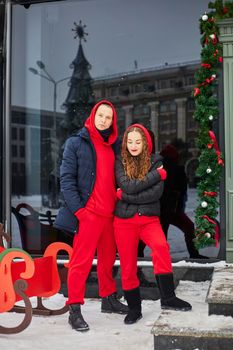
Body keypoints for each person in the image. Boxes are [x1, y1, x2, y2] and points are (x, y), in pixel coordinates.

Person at [54, 100, 128, 332]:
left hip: (110, 214)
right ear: (93, 116)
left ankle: (108, 299)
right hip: (89, 214)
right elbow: (66, 179)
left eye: (108, 117)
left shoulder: (113, 146)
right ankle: (74, 308)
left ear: (112, 121)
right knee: (81, 263)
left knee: (107, 261)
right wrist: (80, 211)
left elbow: (116, 177)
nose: (104, 120)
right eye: (101, 115)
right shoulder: (77, 143)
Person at [114, 124, 192, 325]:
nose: (133, 145)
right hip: (124, 222)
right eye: (130, 141)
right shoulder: (120, 162)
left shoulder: (156, 160)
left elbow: (154, 194)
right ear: (125, 142)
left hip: (149, 219)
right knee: (128, 265)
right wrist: (156, 175)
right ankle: (134, 308)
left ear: (145, 143)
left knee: (161, 247)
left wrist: (126, 195)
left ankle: (168, 297)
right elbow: (127, 185)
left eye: (137, 141)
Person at [159, 144, 207, 259]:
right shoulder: (178, 170)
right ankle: (194, 254)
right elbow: (182, 191)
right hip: (173, 210)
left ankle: (157, 258)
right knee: (189, 227)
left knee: (161, 237)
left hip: (162, 211)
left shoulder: (159, 170)